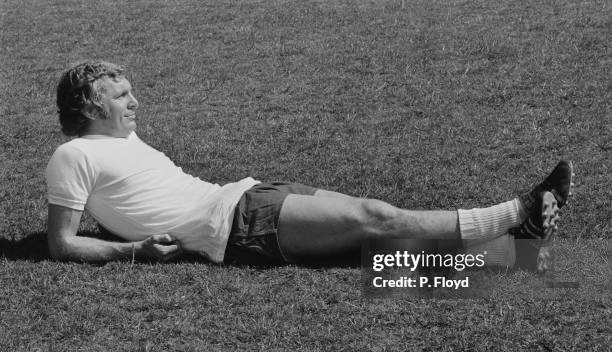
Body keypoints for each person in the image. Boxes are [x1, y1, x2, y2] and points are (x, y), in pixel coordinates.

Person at [46, 61, 574, 269]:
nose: (134, 101)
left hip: (247, 195)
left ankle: (516, 253)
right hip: (231, 226)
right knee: (376, 219)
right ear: (92, 106)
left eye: (131, 90)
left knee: (375, 239)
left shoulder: (125, 141)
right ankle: (514, 215)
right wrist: (132, 249)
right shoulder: (75, 155)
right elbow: (61, 243)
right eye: (120, 95)